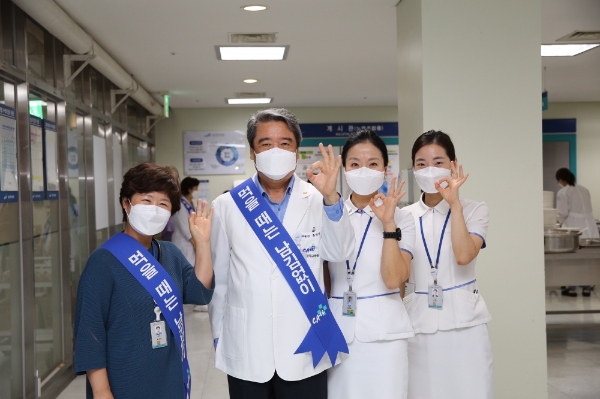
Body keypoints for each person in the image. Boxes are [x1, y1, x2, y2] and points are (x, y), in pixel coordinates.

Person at [209, 108, 354, 399]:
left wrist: (330, 197)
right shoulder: (226, 206)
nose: (276, 150)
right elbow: (220, 280)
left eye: (285, 143)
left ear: (297, 152)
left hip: (306, 344)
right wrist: (219, 336)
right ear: (252, 152)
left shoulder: (318, 198)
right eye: (265, 143)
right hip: (246, 344)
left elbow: (339, 252)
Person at [74, 163, 214, 399]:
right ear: (126, 203)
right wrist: (101, 391)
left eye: (163, 204)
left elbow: (199, 292)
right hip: (124, 381)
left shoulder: (170, 254)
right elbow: (90, 331)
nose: (155, 209)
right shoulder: (104, 261)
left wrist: (202, 243)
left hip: (168, 377)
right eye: (147, 201)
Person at [403, 131, 493, 399]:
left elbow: (464, 255)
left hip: (466, 326)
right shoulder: (402, 216)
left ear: (453, 165)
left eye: (438, 161)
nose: (430, 169)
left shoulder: (475, 209)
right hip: (418, 324)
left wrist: (455, 205)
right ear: (414, 169)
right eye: (421, 163)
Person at [326, 129, 415, 399]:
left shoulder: (403, 218)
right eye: (355, 164)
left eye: (373, 164)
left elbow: (394, 279)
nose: (363, 170)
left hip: (385, 333)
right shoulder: (328, 212)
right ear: (343, 168)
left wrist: (388, 224)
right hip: (338, 329)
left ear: (385, 168)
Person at [556, 167, 600, 297]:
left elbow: (562, 212)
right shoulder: (584, 189)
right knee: (587, 260)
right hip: (590, 228)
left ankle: (572, 288)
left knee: (572, 260)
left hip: (574, 228)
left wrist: (559, 222)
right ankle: (587, 288)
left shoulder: (563, 192)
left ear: (560, 179)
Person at [172, 177, 208, 311]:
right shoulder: (180, 204)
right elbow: (185, 228)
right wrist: (198, 245)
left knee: (193, 272)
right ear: (189, 188)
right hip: (184, 244)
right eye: (195, 188)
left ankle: (196, 302)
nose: (197, 190)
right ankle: (188, 302)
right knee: (186, 273)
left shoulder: (189, 202)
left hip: (191, 243)